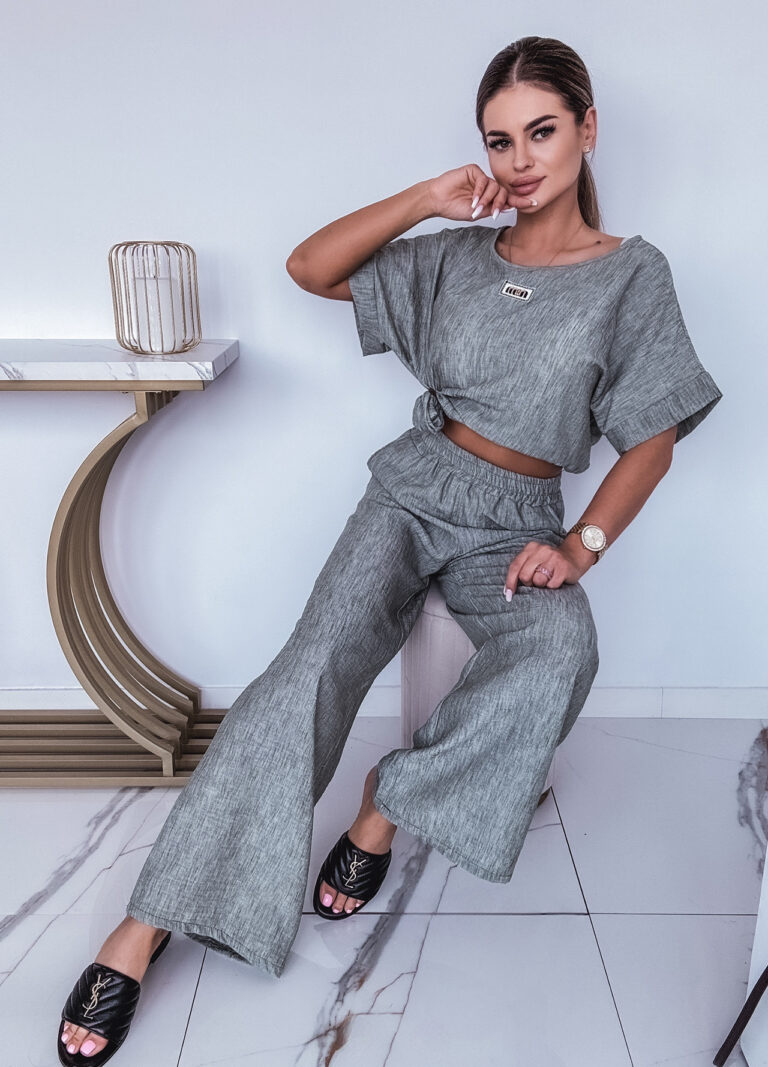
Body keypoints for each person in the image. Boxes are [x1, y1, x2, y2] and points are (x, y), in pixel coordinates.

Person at [57, 34, 723, 1064]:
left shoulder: (632, 275)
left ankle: (386, 804)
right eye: (499, 140)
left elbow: (655, 436)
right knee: (308, 669)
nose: (520, 160)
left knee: (560, 648)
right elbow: (310, 267)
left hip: (519, 517)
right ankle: (143, 926)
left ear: (588, 130)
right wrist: (424, 199)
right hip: (412, 490)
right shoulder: (456, 257)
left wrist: (583, 544)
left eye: (541, 132)